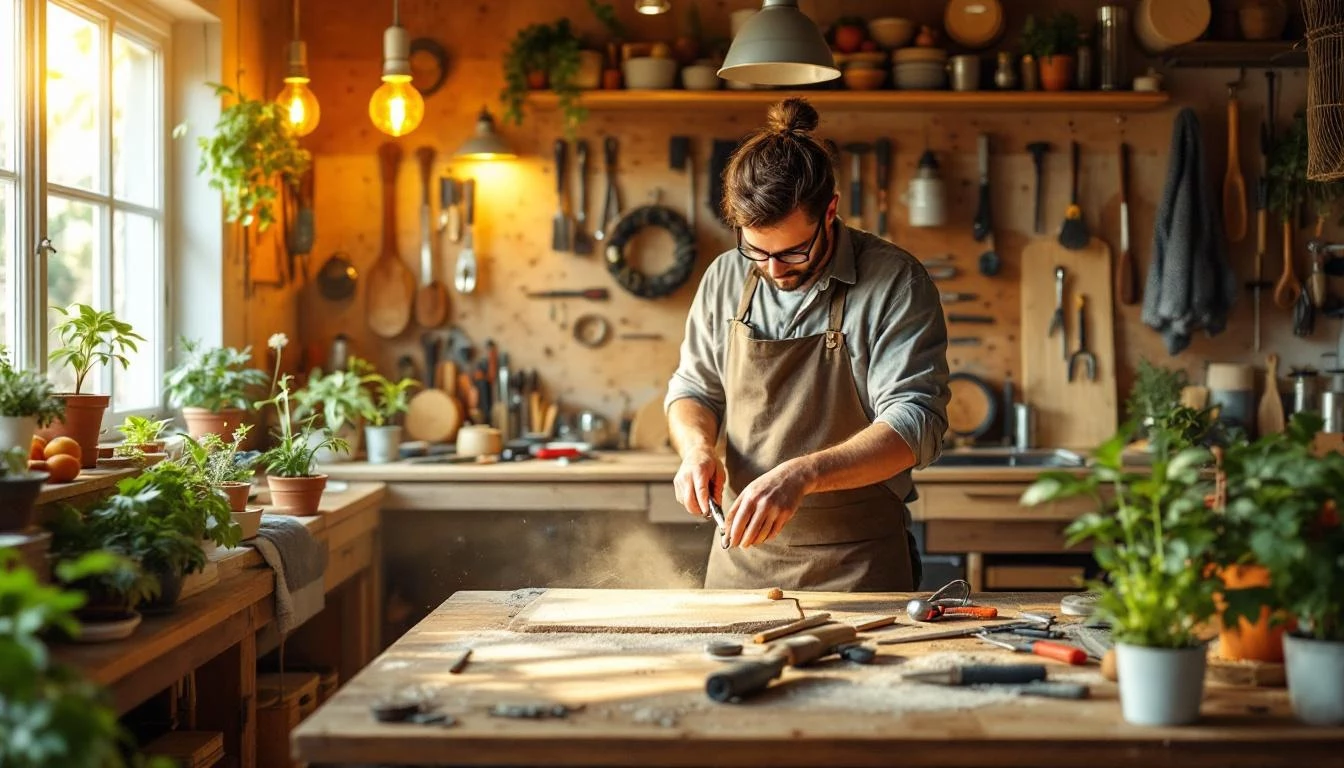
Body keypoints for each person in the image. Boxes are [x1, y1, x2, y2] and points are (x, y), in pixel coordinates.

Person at [664, 97, 950, 592]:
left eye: (794, 250)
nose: (774, 270)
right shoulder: (725, 277)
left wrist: (804, 473)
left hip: (858, 570)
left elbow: (915, 423)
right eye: (756, 250)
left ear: (831, 210)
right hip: (741, 564)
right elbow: (695, 388)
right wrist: (695, 449)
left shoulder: (895, 282)